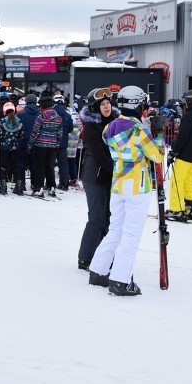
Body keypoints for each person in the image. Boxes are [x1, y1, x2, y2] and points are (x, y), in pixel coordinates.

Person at [87, 86, 163, 296]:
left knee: (115, 230)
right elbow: (157, 155)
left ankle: (98, 271)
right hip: (137, 186)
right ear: (138, 104)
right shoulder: (139, 130)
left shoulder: (109, 128)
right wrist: (160, 134)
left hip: (118, 185)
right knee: (130, 235)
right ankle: (120, 280)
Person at [77, 87, 118, 270]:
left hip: (109, 176)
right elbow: (100, 156)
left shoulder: (116, 123)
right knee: (96, 219)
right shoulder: (92, 128)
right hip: (95, 176)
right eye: (102, 104)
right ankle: (85, 257)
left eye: (108, 102)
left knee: (108, 218)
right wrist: (119, 169)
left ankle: (103, 256)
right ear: (95, 107)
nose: (106, 106)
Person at [166, 89, 192, 220]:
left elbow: (182, 137)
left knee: (177, 181)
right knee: (187, 181)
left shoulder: (189, 116)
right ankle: (190, 206)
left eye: (187, 101)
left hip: (184, 154)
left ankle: (176, 209)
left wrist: (173, 152)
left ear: (191, 101)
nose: (185, 104)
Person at [27, 95, 63, 197]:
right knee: (49, 166)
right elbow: (60, 133)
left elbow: (35, 132)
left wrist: (29, 145)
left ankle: (39, 188)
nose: (39, 108)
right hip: (52, 146)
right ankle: (52, 187)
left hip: (40, 145)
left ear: (43, 106)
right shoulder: (59, 118)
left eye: (40, 106)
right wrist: (57, 145)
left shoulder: (41, 117)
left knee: (40, 167)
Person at [0, 101, 24, 195]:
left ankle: (3, 185)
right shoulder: (19, 121)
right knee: (15, 166)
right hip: (15, 147)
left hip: (4, 147)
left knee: (3, 166)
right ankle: (18, 185)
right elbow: (21, 135)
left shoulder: (2, 121)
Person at [52, 94, 74, 190]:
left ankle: (50, 183)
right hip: (63, 143)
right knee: (63, 165)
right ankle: (64, 184)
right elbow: (70, 129)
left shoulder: (51, 113)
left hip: (51, 143)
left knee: (50, 164)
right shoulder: (68, 115)